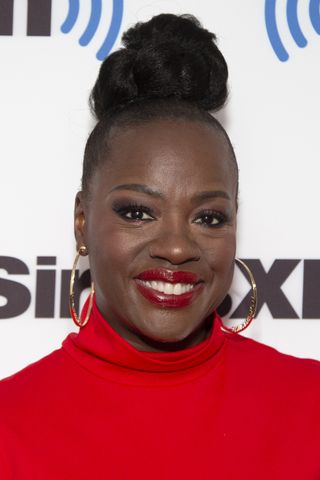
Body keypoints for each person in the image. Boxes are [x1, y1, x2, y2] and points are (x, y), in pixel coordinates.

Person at [0, 13, 319, 480]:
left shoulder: (310, 404)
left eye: (209, 218)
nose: (175, 248)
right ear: (81, 222)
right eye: (137, 212)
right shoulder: (10, 424)